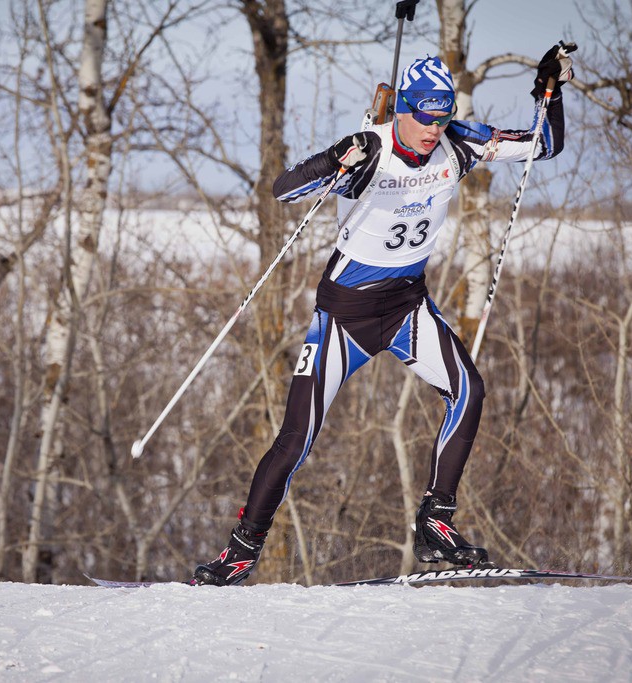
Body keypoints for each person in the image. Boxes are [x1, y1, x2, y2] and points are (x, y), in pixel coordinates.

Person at [192, 44, 575, 586]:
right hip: (344, 316)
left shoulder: (459, 145)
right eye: (422, 114)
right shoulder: (370, 151)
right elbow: (283, 191)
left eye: (440, 116)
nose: (430, 127)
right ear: (403, 108)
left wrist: (549, 92)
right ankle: (239, 553)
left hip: (404, 306)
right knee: (296, 438)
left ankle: (436, 523)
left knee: (470, 390)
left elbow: (546, 145)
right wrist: (335, 160)